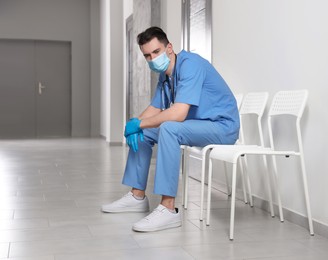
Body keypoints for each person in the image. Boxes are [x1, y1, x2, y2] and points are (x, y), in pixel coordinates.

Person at [101, 26, 239, 232]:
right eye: (147, 55)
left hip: (222, 127)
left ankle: (168, 209)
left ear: (169, 48)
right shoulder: (165, 76)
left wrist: (139, 123)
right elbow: (155, 108)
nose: (152, 58)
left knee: (168, 128)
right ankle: (137, 196)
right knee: (145, 132)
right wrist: (135, 124)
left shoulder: (190, 65)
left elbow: (178, 114)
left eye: (156, 52)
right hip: (197, 126)